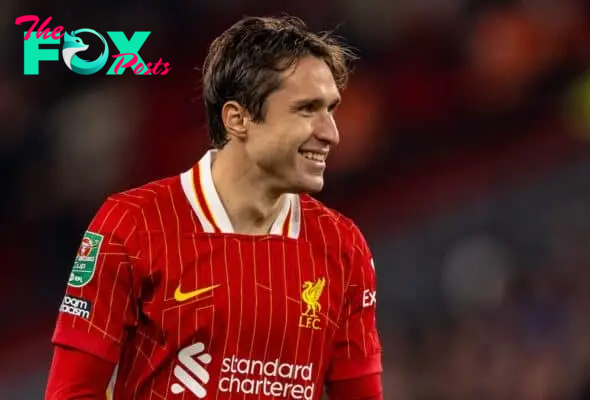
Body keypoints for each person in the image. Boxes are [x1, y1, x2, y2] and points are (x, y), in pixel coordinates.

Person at [45, 15, 382, 400]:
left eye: (331, 110)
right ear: (238, 119)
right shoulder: (132, 224)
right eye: (307, 110)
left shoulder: (342, 246)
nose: (330, 133)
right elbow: (71, 392)